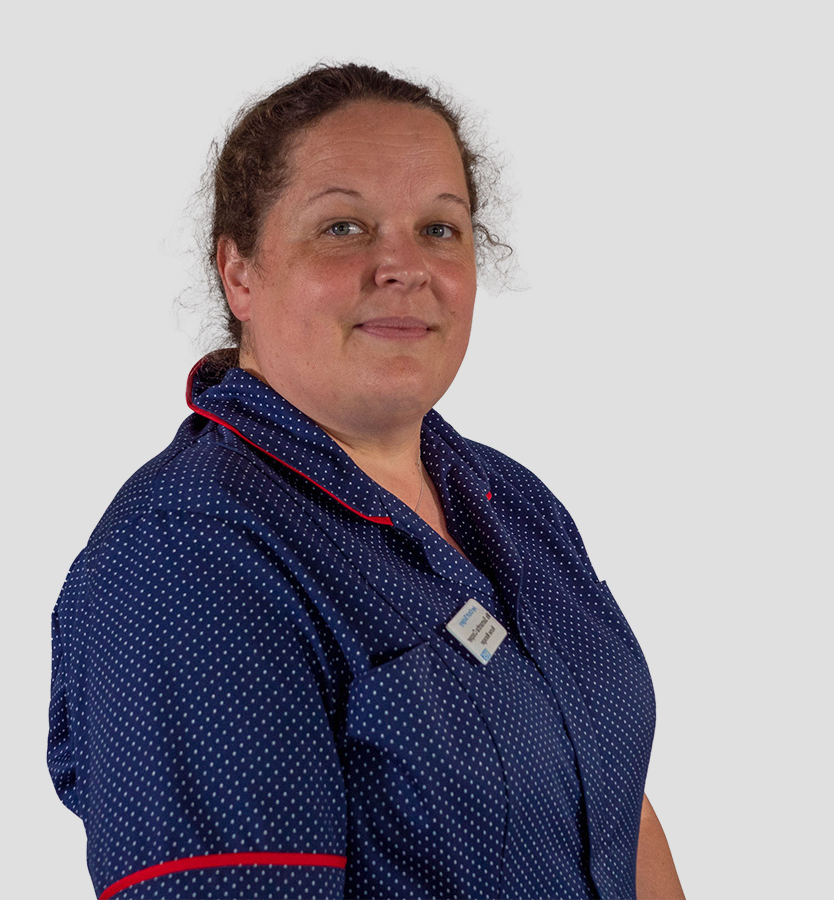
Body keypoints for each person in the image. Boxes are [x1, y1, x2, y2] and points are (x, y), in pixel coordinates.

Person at [48, 63, 685, 900]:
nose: (403, 266)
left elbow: (619, 812)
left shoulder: (514, 502)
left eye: (439, 228)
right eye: (343, 228)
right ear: (240, 272)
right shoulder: (188, 558)